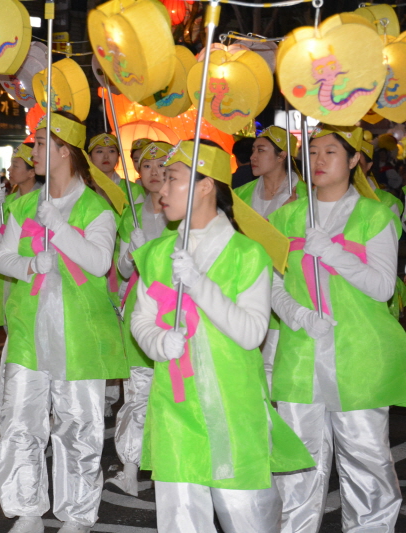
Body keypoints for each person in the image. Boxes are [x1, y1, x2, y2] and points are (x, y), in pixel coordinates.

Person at [131, 140, 313, 532]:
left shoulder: (248, 254)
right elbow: (141, 319)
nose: (161, 189)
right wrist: (158, 342)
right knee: (180, 519)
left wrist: (199, 284)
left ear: (205, 186)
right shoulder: (156, 253)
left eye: (173, 178)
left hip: (233, 407)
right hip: (176, 406)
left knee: (247, 518)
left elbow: (251, 333)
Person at [0, 111, 127, 533]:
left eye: (40, 144)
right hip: (29, 332)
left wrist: (61, 228)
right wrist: (31, 264)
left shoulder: (97, 208)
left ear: (65, 150)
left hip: (80, 335)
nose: (31, 151)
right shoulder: (23, 205)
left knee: (79, 426)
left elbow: (99, 262)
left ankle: (78, 514)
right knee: (19, 421)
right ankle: (27, 509)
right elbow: (2, 258)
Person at [269, 124, 406, 533]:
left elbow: (382, 286)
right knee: (297, 459)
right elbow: (270, 284)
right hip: (300, 350)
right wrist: (297, 314)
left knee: (366, 457)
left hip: (358, 353)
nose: (319, 159)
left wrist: (331, 252)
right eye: (312, 151)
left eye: (331, 152)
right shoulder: (286, 216)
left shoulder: (374, 215)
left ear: (354, 160)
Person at [106, 140, 176, 497]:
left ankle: (171, 463)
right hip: (139, 310)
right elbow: (121, 268)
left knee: (176, 392)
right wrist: (130, 255)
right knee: (136, 392)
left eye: (162, 165)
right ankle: (130, 469)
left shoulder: (184, 212)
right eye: (147, 166)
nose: (154, 172)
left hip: (178, 311)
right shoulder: (130, 214)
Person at [234, 125, 307, 388]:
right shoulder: (240, 195)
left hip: (289, 288)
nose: (253, 156)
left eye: (261, 150)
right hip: (247, 286)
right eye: (253, 150)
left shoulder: (306, 196)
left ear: (282, 155)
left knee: (282, 367)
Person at [0, 143, 42, 449]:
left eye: (17, 165)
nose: (10, 170)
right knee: (15, 357)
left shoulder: (45, 202)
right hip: (12, 286)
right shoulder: (9, 201)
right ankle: (8, 420)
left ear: (32, 171)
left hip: (38, 287)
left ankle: (19, 420)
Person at [87, 133, 142, 417]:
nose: (106, 156)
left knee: (121, 332)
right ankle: (100, 394)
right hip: (89, 269)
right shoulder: (83, 189)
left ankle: (117, 394)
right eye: (99, 151)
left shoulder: (133, 192)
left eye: (111, 151)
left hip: (123, 270)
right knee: (96, 329)